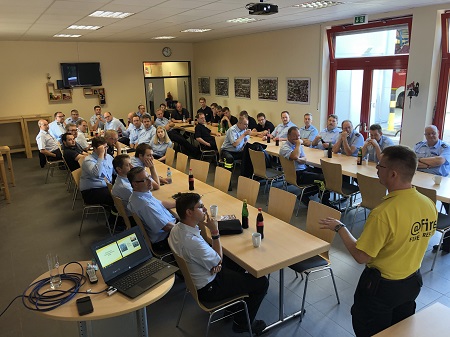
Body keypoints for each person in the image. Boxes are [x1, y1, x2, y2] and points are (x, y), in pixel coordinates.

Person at [319, 145, 437, 337]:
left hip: (382, 289)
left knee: (370, 330)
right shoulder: (427, 204)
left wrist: (340, 228)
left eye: (380, 166)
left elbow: (361, 255)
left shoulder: (384, 213)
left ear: (393, 174)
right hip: (412, 283)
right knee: (400, 330)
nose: (376, 169)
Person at [168, 193, 269, 335]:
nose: (205, 210)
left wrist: (217, 262)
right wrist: (214, 232)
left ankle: (233, 307)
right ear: (189, 212)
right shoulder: (192, 242)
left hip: (202, 276)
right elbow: (218, 259)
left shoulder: (176, 230)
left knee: (234, 260)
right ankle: (242, 324)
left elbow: (215, 260)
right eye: (201, 207)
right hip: (210, 288)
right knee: (261, 282)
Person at [414, 125, 450, 250]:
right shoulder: (419, 145)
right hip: (419, 180)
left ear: (438, 133)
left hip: (440, 182)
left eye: (433, 133)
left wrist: (422, 161)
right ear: (425, 135)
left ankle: (447, 244)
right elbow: (412, 162)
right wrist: (430, 164)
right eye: (428, 134)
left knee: (449, 207)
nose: (430, 136)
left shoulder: (445, 147)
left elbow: (440, 161)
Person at [127, 166, 176, 253]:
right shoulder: (145, 205)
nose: (150, 181)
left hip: (169, 228)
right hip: (166, 238)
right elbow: (167, 227)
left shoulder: (139, 194)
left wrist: (178, 203)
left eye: (149, 177)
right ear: (135, 184)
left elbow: (160, 203)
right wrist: (186, 228)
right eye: (145, 180)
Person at [279, 126, 325, 206]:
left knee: (324, 174)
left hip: (303, 169)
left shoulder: (298, 145)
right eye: (295, 136)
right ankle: (320, 201)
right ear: (288, 136)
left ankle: (315, 195)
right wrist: (298, 147)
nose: (298, 138)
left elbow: (304, 159)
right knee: (322, 180)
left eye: (299, 136)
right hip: (296, 174)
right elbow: (295, 156)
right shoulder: (285, 147)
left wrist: (298, 158)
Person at [79, 136, 114, 207]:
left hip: (106, 186)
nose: (105, 150)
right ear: (94, 149)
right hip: (92, 191)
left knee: (121, 192)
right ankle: (115, 215)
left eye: (106, 147)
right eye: (102, 148)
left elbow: (116, 171)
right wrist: (101, 155)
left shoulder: (109, 157)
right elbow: (97, 174)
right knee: (115, 197)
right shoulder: (88, 160)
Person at [111, 154, 138, 227]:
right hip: (135, 218)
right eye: (128, 165)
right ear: (119, 169)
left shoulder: (124, 178)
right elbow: (142, 204)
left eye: (131, 164)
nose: (132, 167)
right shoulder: (125, 187)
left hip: (133, 212)